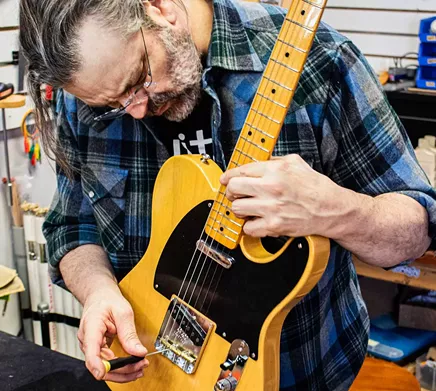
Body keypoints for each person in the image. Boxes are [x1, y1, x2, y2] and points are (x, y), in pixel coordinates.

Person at [19, 0, 436, 389]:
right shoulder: (95, 93)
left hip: (303, 374)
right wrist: (98, 292)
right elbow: (73, 225)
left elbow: (417, 229)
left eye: (139, 80)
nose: (136, 109)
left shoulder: (319, 62)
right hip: (157, 371)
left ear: (160, 7)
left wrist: (337, 212)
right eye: (114, 104)